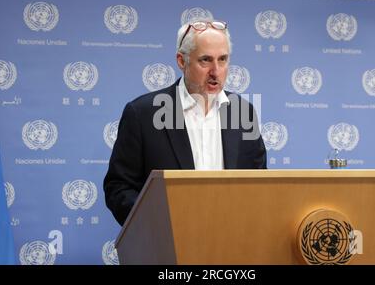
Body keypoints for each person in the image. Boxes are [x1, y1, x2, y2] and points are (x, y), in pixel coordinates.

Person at [104, 20, 267, 226]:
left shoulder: (243, 113)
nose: (216, 72)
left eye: (223, 59)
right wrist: (158, 224)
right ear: (182, 61)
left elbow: (260, 184)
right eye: (205, 60)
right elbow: (119, 187)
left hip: (232, 243)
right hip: (167, 246)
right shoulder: (142, 114)